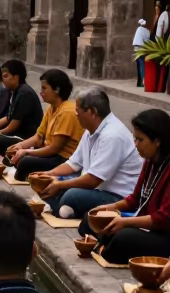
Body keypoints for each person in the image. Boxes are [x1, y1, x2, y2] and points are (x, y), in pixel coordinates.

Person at [40, 87, 142, 219]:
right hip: (95, 190)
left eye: (78, 112)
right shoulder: (90, 130)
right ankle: (65, 210)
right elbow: (74, 164)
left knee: (71, 195)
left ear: (92, 111)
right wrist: (48, 174)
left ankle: (66, 210)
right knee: (51, 184)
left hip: (118, 196)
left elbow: (93, 180)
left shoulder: (113, 135)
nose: (76, 115)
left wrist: (60, 184)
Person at [85, 109, 170, 262]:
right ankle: (104, 248)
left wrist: (125, 222)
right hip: (145, 226)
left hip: (164, 236)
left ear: (157, 141)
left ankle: (104, 249)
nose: (135, 145)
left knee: (123, 237)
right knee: (89, 218)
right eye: (134, 139)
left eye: (140, 140)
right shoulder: (149, 161)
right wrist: (108, 208)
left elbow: (163, 219)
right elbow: (134, 199)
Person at [6, 69, 83, 183]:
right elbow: (38, 136)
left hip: (64, 159)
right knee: (10, 149)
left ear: (57, 89)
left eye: (44, 88)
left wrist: (26, 151)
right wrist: (20, 146)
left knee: (25, 162)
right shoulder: (52, 108)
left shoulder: (67, 111)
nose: (41, 92)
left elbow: (54, 149)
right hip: (50, 153)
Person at [0, 59, 43, 159]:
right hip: (16, 133)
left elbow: (14, 124)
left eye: (6, 76)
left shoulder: (24, 93)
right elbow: (8, 117)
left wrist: (0, 132)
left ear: (16, 77)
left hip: (26, 137)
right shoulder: (14, 91)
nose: (3, 79)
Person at [133, 19, 150, 87]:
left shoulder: (138, 29)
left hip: (138, 49)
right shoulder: (147, 31)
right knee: (142, 65)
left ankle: (141, 82)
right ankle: (142, 81)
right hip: (144, 49)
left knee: (140, 66)